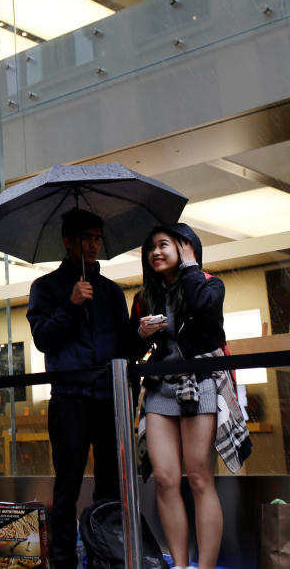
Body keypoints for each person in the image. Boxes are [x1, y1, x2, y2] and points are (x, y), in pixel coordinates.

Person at [129, 223, 249, 569]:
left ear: (186, 248)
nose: (156, 252)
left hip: (200, 384)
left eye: (165, 245)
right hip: (159, 388)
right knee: (166, 480)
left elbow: (206, 311)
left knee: (199, 478)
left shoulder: (209, 284)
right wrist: (140, 332)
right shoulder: (144, 298)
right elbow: (129, 347)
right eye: (151, 247)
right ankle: (180, 564)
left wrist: (191, 267)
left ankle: (206, 566)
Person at [26, 208, 129, 569]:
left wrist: (144, 331)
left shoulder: (112, 292)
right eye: (87, 238)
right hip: (69, 398)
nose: (93, 245)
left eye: (97, 238)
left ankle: (107, 555)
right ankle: (65, 560)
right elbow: (44, 341)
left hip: (107, 397)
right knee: (67, 484)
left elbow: (124, 347)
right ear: (68, 241)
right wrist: (70, 305)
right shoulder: (46, 287)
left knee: (110, 484)